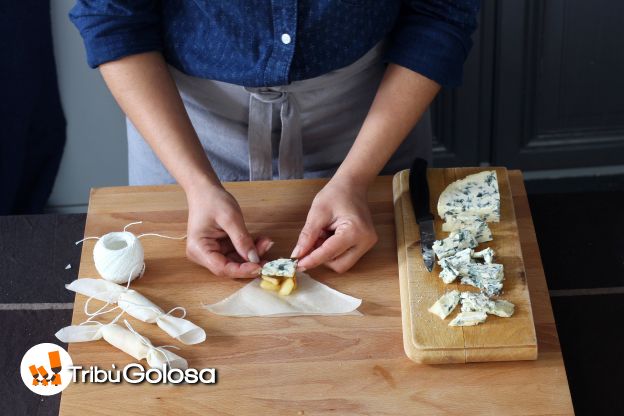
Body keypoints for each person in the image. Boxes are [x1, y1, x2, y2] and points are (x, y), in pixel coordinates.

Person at [69, 1, 479, 278]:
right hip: (186, 128)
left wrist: (354, 179)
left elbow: (440, 13)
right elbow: (113, 17)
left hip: (369, 120)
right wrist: (197, 185)